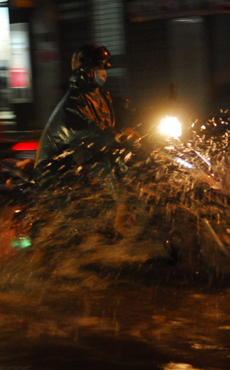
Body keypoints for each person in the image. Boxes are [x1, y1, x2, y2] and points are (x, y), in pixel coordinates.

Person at [32, 44, 140, 235]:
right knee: (79, 219)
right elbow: (88, 128)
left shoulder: (99, 95)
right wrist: (114, 135)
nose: (103, 72)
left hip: (82, 157)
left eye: (104, 68)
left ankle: (122, 228)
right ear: (86, 70)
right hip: (56, 170)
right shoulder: (73, 103)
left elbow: (118, 114)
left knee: (124, 171)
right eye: (98, 68)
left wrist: (142, 120)